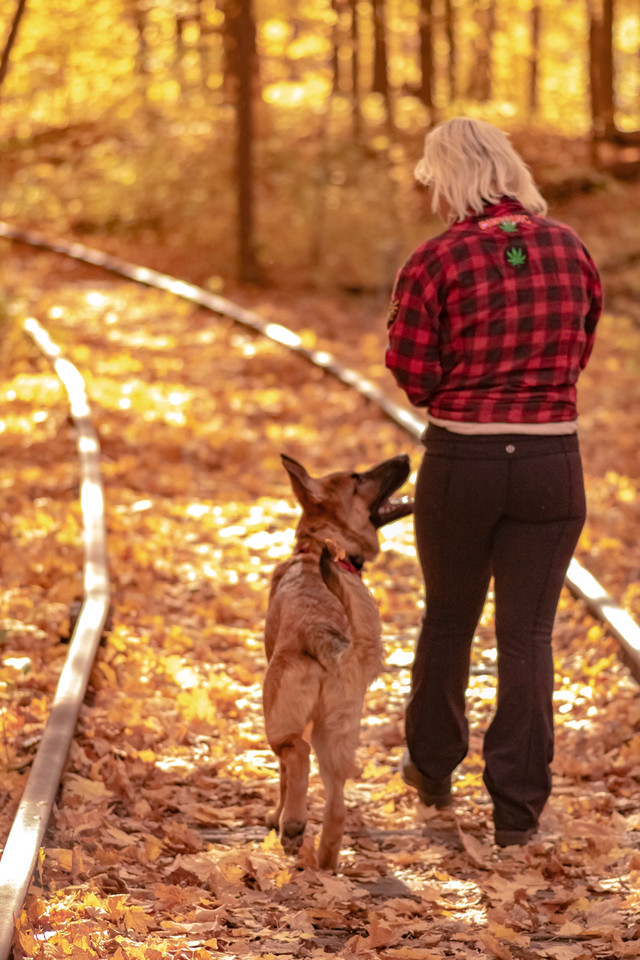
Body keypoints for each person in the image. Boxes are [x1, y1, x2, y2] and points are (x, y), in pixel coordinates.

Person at [385, 117, 602, 847]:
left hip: (464, 462)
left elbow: (413, 374)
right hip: (550, 463)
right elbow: (581, 344)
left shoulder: (435, 259)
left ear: (446, 178)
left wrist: (467, 385)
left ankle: (434, 768)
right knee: (529, 633)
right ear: (510, 170)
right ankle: (517, 808)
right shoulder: (570, 247)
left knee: (449, 616)